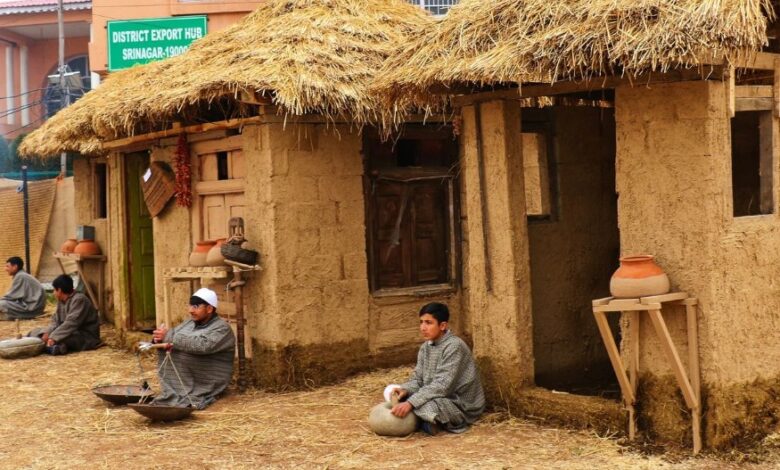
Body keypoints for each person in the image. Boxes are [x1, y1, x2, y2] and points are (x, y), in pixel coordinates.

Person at [391, 302, 485, 434]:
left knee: (424, 405)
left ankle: (428, 422)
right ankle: (426, 420)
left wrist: (410, 403)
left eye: (428, 323)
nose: (423, 328)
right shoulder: (425, 347)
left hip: (458, 403)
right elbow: (418, 379)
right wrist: (405, 390)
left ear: (442, 326)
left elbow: (442, 386)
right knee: (399, 395)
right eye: (421, 322)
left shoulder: (454, 346)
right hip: (435, 394)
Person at [150, 287, 236, 409]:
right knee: (172, 350)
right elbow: (174, 336)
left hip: (207, 379)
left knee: (181, 352)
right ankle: (176, 392)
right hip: (189, 374)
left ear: (209, 309)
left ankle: (187, 392)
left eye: (196, 306)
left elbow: (202, 345)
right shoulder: (189, 322)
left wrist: (168, 336)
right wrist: (159, 338)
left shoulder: (222, 328)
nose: (190, 310)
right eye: (190, 306)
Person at [28, 274, 100, 355]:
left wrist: (53, 337)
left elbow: (71, 323)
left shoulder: (79, 300)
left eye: (54, 290)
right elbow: (56, 321)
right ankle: (44, 345)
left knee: (63, 339)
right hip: (68, 331)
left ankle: (53, 347)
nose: (53, 293)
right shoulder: (61, 301)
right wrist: (47, 333)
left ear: (59, 290)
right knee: (36, 332)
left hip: (84, 335)